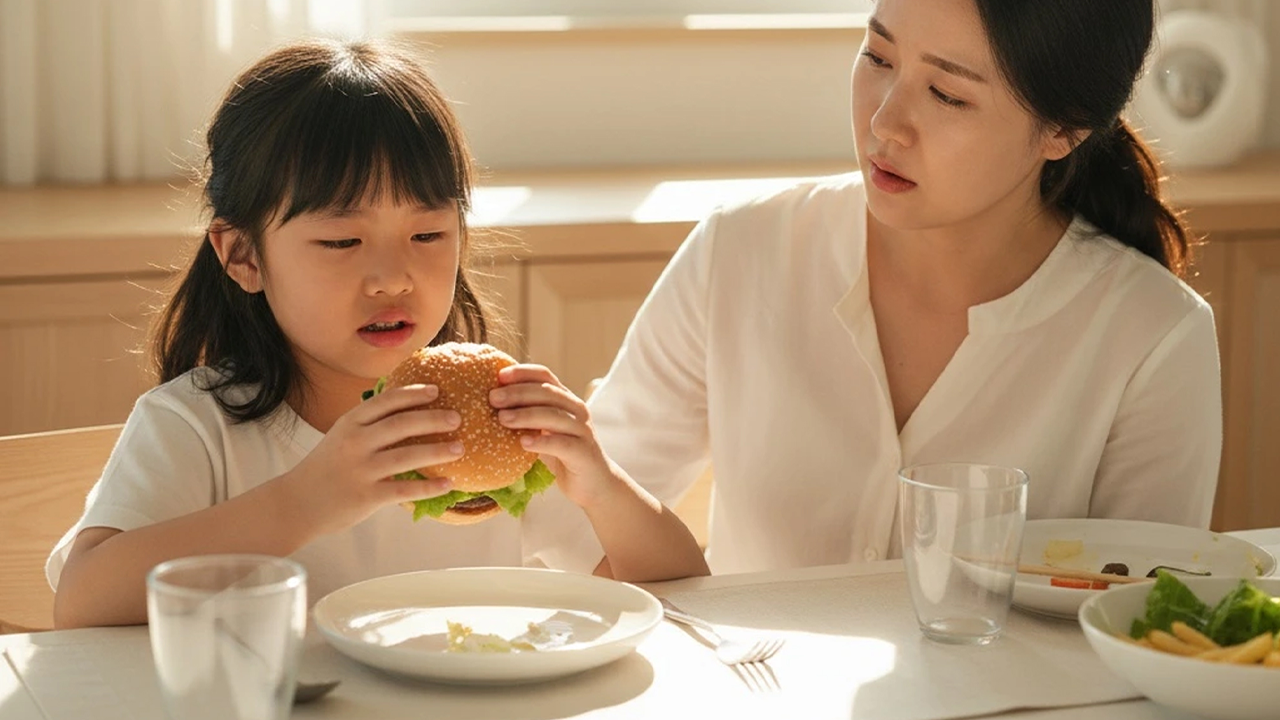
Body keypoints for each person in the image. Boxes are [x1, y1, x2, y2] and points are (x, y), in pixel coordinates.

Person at [541, 0, 1223, 576]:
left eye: (948, 94)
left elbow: (1138, 622)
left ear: (1063, 131)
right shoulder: (742, 250)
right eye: (877, 57)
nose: (884, 123)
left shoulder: (1154, 336)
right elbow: (579, 523)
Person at [49, 38, 707, 629]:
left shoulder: (489, 426)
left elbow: (685, 593)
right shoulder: (195, 425)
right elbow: (83, 600)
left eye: (428, 234)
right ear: (243, 255)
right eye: (342, 241)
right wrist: (308, 499)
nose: (393, 279)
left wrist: (600, 485)